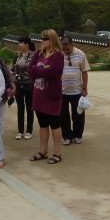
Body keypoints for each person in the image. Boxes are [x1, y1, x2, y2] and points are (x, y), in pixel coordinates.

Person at [26, 29, 65, 165]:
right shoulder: (38, 53)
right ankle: (43, 151)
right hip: (38, 93)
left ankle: (57, 153)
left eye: (45, 39)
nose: (42, 41)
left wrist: (38, 70)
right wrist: (42, 70)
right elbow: (29, 69)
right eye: (42, 38)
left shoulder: (58, 55)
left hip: (51, 94)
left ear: (52, 40)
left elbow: (52, 71)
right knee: (42, 124)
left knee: (55, 124)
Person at [59, 35, 90, 145]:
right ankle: (67, 136)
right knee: (63, 115)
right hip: (62, 90)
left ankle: (78, 135)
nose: (65, 51)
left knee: (78, 115)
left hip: (77, 91)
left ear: (72, 45)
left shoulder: (80, 54)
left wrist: (84, 88)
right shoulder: (59, 55)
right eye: (63, 48)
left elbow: (84, 72)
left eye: (67, 48)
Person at [11, 35, 35, 140]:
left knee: (29, 107)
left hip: (29, 83)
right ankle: (20, 130)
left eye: (21, 43)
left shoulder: (34, 55)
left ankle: (29, 130)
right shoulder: (17, 55)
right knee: (20, 107)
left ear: (27, 44)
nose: (19, 45)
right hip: (18, 83)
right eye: (19, 42)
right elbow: (13, 67)